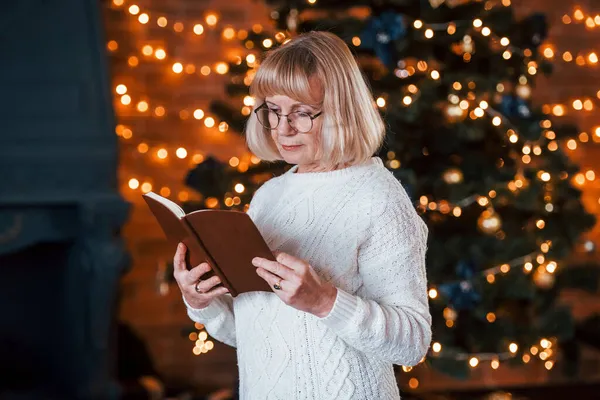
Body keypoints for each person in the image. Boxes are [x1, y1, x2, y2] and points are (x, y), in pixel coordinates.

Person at [172, 31, 431, 399]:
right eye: (273, 111)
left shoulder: (378, 196)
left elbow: (412, 343)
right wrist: (202, 301)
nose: (283, 129)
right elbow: (249, 331)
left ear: (343, 111)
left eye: (302, 113)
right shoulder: (268, 197)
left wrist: (326, 301)